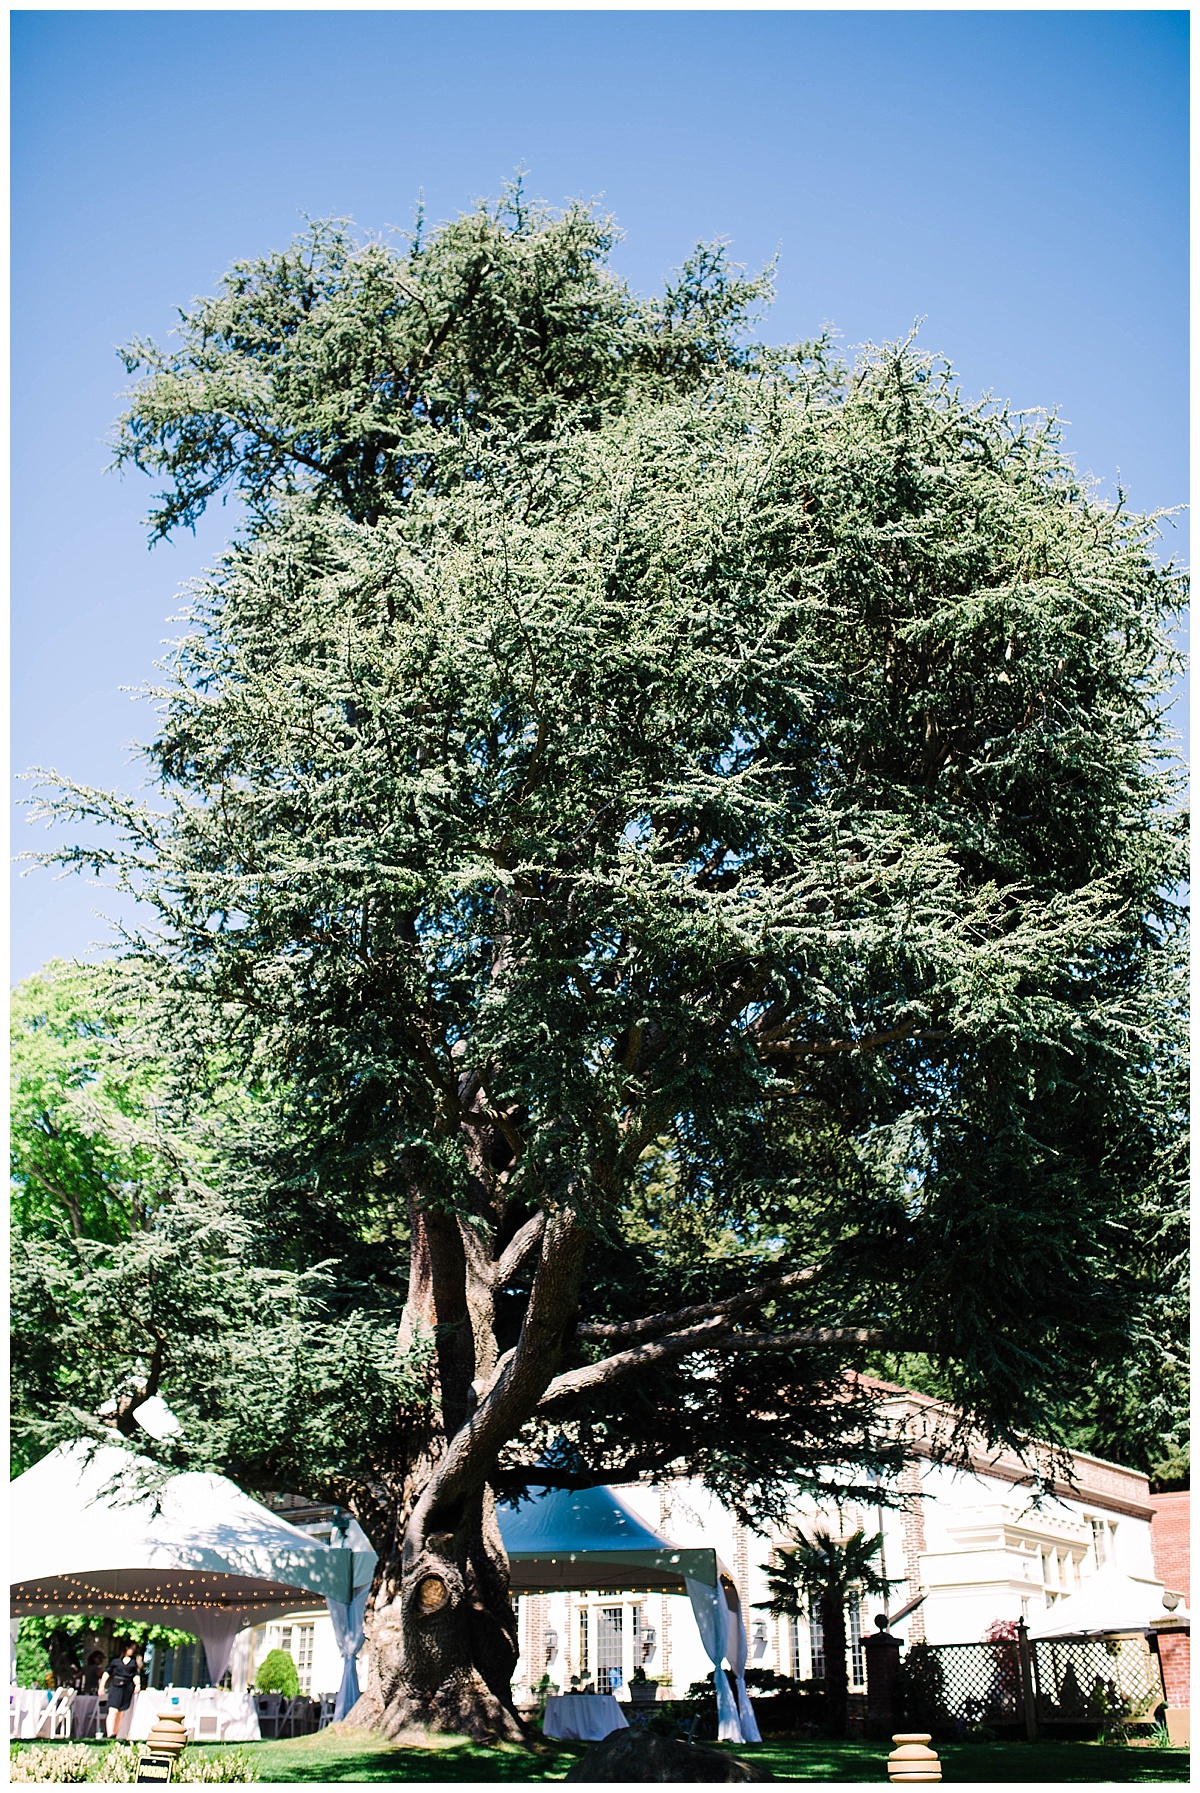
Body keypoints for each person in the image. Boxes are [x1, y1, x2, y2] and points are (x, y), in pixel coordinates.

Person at [99, 1640, 141, 1738]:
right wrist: (102, 1686)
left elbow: (135, 1675)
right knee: (113, 1710)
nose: (133, 1651)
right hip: (115, 1687)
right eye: (132, 1649)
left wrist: (137, 1685)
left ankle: (115, 1733)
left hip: (127, 1688)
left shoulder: (133, 1662)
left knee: (121, 1712)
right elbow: (107, 1673)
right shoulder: (115, 1661)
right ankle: (110, 1733)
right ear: (126, 1648)